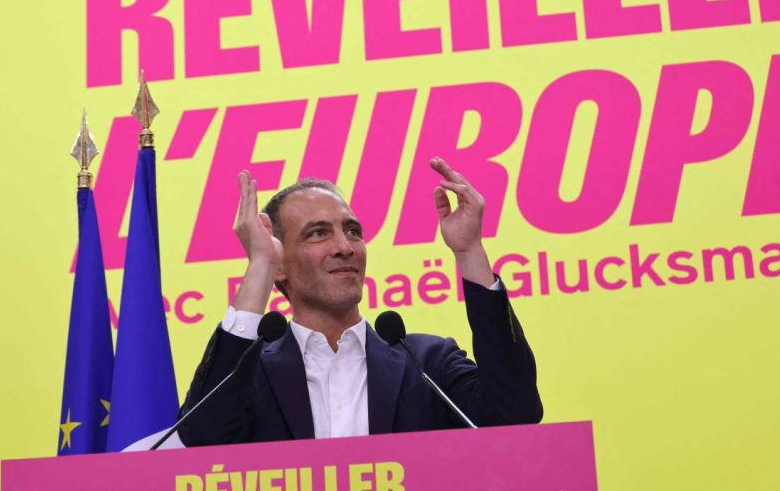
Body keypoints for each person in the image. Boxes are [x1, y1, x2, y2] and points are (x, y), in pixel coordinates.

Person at [177, 157, 541, 446]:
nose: (344, 247)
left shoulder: (428, 365)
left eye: (352, 231)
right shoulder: (248, 376)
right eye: (318, 234)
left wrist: (470, 251)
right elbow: (201, 437)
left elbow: (514, 415)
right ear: (281, 265)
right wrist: (261, 265)